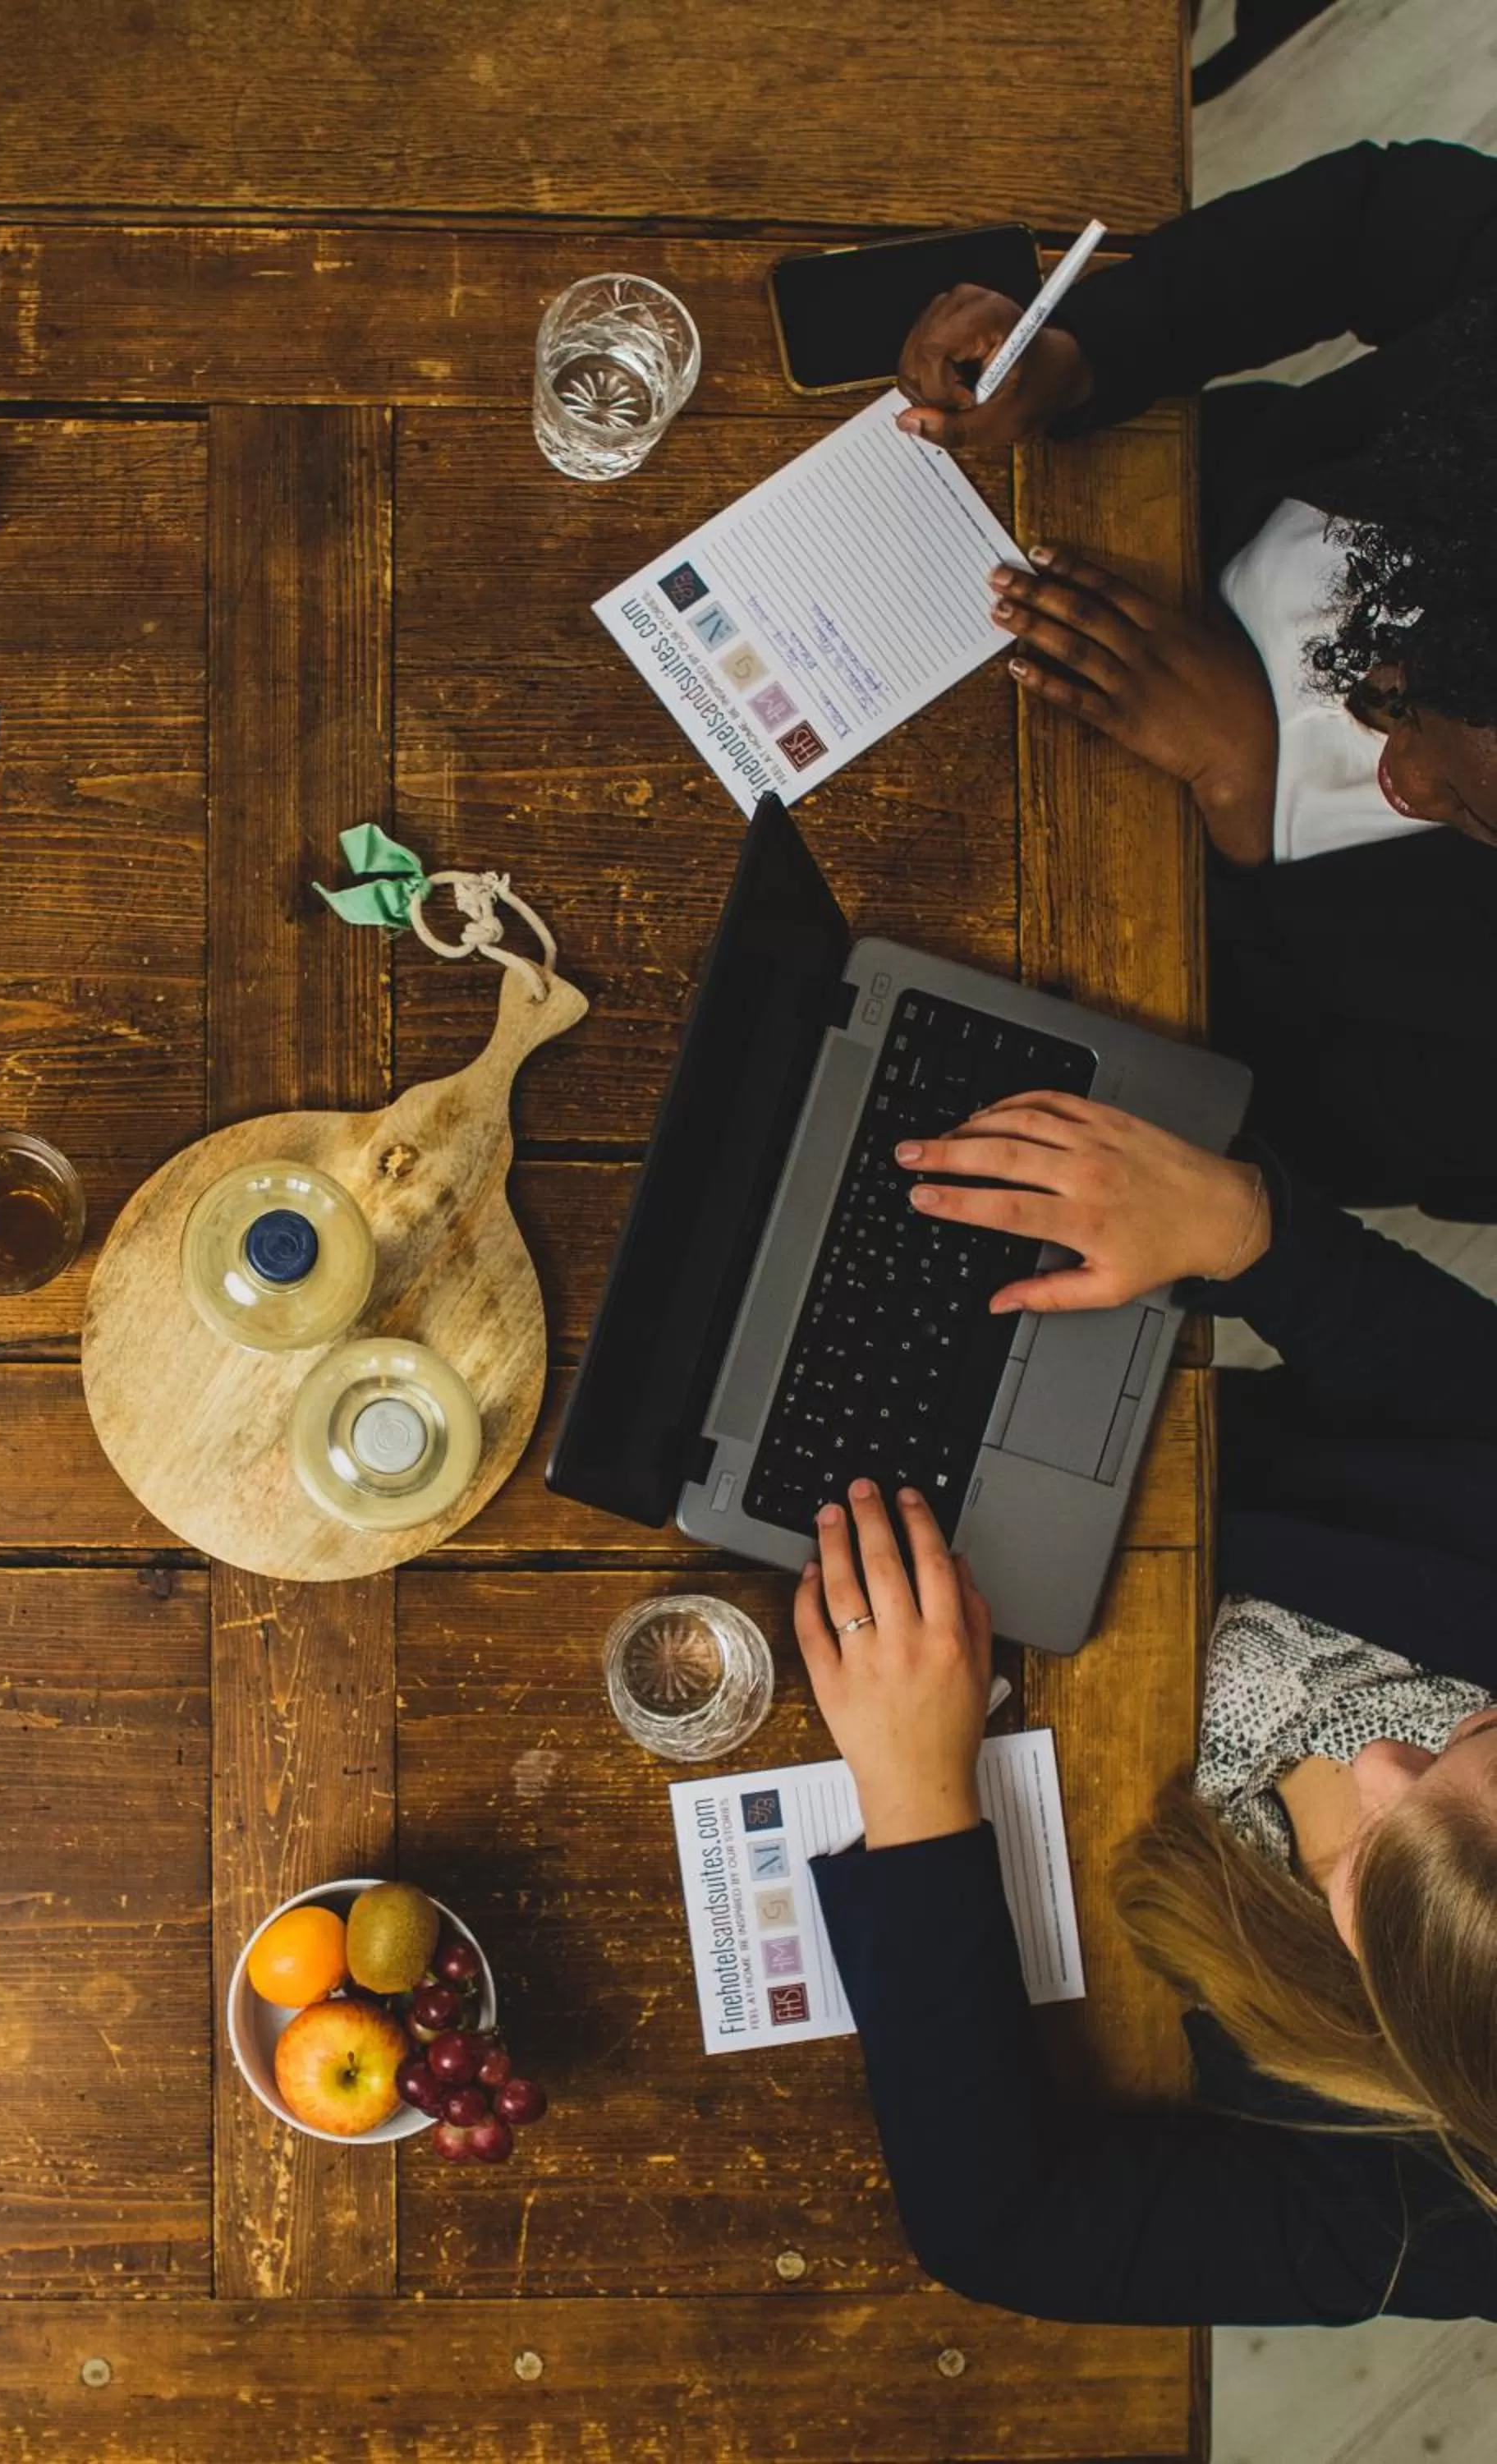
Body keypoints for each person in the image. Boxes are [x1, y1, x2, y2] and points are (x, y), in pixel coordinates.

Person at [796, 1094, 1497, 2323]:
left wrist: (914, 1799)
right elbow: (1468, 1410)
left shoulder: (1440, 2215)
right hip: (1088, 1422)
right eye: (1477, 1732)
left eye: (1378, 1858)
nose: (1377, 1751)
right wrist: (1249, 1229)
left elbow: (1008, 2231)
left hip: (884, 1703)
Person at [893, 142, 1497, 1216]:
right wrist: (1087, 353)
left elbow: (1312, 1148)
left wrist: (1248, 802)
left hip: (1107, 941)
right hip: (1136, 495)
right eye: (1402, 695)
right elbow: (1371, 224)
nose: (1398, 769)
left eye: (1470, 815)